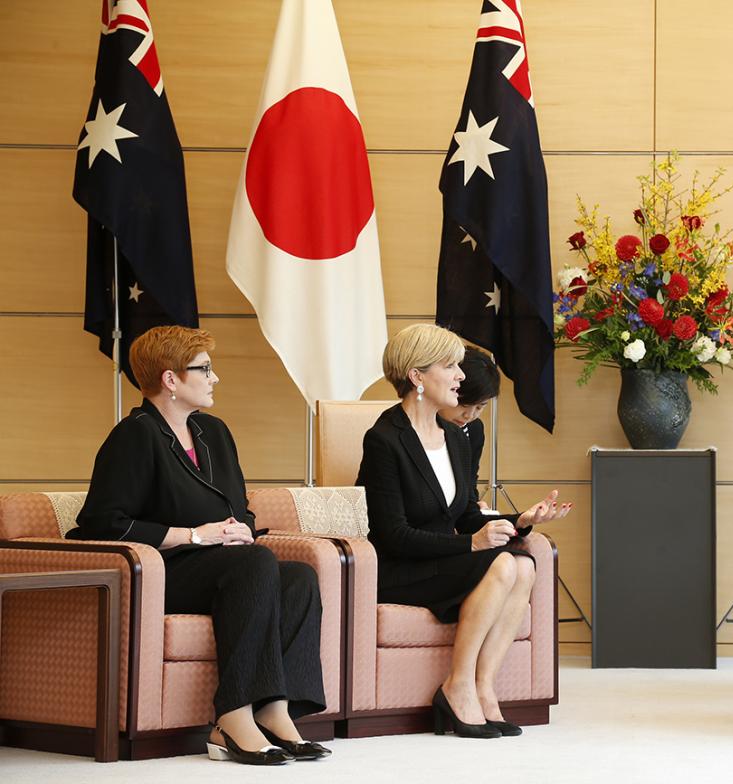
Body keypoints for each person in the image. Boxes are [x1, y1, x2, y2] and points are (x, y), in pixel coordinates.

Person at [67, 326, 330, 765]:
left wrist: (239, 529)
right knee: (254, 564)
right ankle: (232, 715)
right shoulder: (135, 435)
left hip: (224, 565)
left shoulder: (214, 432)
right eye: (204, 369)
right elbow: (102, 523)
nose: (215, 378)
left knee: (299, 576)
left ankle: (276, 710)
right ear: (171, 379)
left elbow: (239, 507)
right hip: (164, 571)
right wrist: (194, 535)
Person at [357, 324, 571, 739]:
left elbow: (468, 514)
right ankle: (457, 684)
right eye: (450, 366)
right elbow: (391, 535)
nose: (460, 375)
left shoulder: (456, 437)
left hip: (445, 560)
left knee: (524, 565)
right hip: (402, 568)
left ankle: (483, 686)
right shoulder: (384, 439)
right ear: (417, 376)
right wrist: (469, 543)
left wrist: (520, 521)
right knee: (505, 566)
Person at [438, 346, 500, 510]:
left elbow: (469, 483)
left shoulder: (473, 429)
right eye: (464, 404)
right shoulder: (419, 427)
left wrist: (475, 507)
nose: (470, 415)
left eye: (480, 407)